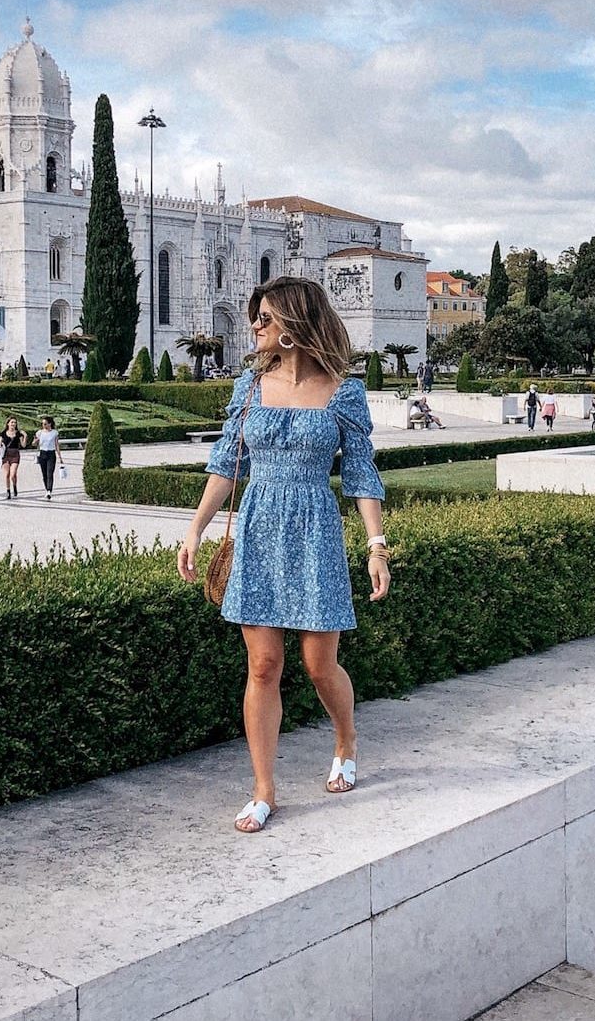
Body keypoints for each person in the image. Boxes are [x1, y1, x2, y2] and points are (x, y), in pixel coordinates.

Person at [177, 275, 390, 834]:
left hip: (316, 531)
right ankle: (264, 787)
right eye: (256, 316)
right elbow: (227, 463)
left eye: (266, 317)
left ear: (295, 325)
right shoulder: (248, 387)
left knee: (320, 666)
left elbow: (361, 474)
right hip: (258, 531)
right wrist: (195, 530)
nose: (255, 326)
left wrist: (375, 545)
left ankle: (345, 738)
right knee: (263, 665)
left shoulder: (343, 390)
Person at [33, 415, 64, 500]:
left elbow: (56, 444)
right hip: (42, 453)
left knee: (50, 473)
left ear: (50, 424)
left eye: (45, 424)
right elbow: (34, 443)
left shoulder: (54, 432)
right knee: (44, 474)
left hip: (51, 453)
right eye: (43, 424)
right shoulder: (39, 432)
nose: (44, 425)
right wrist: (35, 441)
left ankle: (49, 491)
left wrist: (60, 456)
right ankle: (47, 489)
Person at [0, 416, 27, 499]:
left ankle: (14, 485)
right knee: (7, 474)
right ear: (8, 423)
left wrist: (25, 436)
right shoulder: (3, 433)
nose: (13, 424)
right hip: (6, 455)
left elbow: (23, 445)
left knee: (13, 475)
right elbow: (0, 443)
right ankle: (8, 491)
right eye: (12, 422)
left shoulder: (18, 434)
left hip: (15, 454)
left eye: (15, 422)